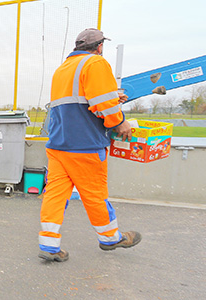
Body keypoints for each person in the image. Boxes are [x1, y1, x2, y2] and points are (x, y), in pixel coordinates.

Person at [38, 28, 141, 262]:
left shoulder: (63, 69)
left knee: (55, 195)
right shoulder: (96, 63)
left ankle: (49, 244)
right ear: (100, 46)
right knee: (95, 194)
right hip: (85, 146)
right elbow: (101, 103)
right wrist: (120, 122)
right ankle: (110, 238)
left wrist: (112, 96)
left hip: (58, 145)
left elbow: (80, 100)